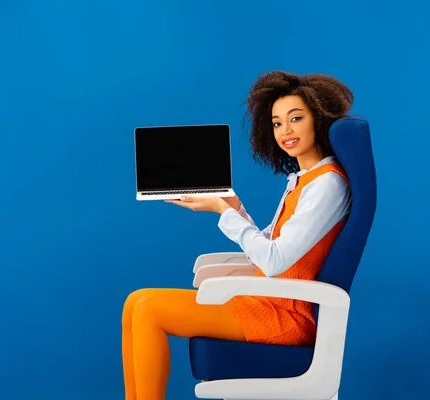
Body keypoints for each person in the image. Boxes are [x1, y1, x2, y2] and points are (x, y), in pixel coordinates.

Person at [121, 71, 355, 400]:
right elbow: (272, 247)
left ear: (320, 119)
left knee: (148, 309)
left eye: (295, 119)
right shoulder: (305, 179)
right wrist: (235, 207)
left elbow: (273, 262)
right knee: (135, 302)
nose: (285, 131)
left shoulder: (327, 185)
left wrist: (223, 211)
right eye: (276, 123)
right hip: (268, 302)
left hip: (286, 315)